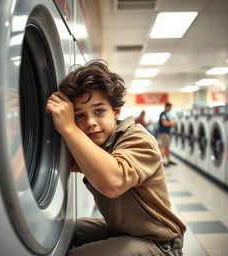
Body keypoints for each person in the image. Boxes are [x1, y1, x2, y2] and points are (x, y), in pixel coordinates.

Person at [46, 60, 186, 256]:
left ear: (116, 111)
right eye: (79, 116)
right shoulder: (96, 144)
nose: (90, 123)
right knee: (65, 231)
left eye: (99, 111)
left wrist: (69, 127)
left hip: (158, 241)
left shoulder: (138, 138)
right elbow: (55, 160)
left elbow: (113, 181)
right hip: (122, 231)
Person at [158, 103, 177, 167]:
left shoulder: (166, 114)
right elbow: (164, 123)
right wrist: (172, 123)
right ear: (166, 107)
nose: (170, 109)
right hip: (164, 133)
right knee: (164, 147)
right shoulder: (163, 114)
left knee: (167, 147)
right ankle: (161, 162)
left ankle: (168, 160)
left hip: (166, 133)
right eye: (169, 107)